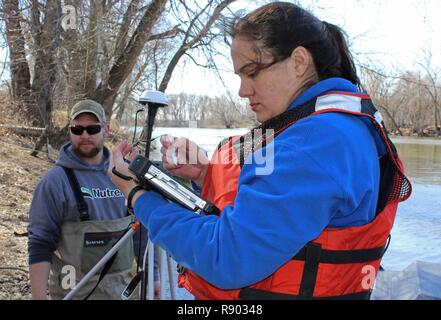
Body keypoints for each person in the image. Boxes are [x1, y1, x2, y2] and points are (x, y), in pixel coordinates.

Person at [109, 2, 412, 300]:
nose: (242, 90)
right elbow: (278, 208)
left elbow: (226, 258)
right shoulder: (331, 127)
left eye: (252, 72)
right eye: (240, 76)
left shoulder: (315, 142)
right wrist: (206, 172)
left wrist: (138, 197)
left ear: (298, 61)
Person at [28, 99, 158, 300]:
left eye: (92, 128)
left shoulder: (124, 174)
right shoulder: (54, 182)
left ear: (105, 130)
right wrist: (38, 297)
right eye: (78, 129)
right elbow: (39, 243)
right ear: (70, 130)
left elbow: (143, 234)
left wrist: (154, 279)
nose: (85, 135)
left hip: (123, 293)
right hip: (73, 294)